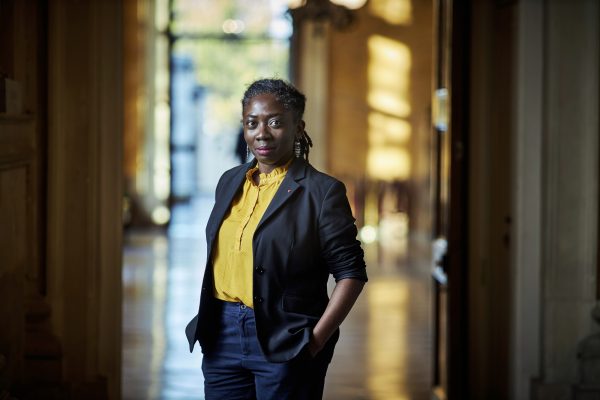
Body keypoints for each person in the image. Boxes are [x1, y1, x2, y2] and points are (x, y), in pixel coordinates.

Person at [185, 78, 367, 400]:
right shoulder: (229, 182)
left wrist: (316, 341)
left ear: (298, 127)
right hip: (221, 334)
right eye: (251, 123)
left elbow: (350, 274)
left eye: (275, 123)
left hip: (286, 336)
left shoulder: (322, 192)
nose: (262, 133)